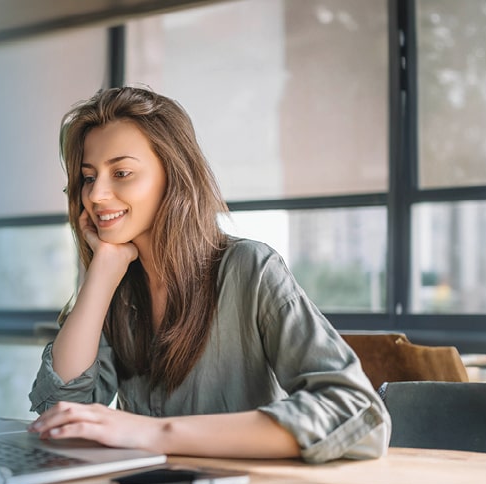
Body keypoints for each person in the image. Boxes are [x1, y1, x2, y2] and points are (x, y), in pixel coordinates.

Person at [26, 87, 389, 463]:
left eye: (121, 173)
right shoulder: (116, 286)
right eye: (88, 177)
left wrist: (156, 433)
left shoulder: (250, 269)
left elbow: (356, 411)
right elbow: (59, 412)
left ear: (174, 176)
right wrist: (100, 274)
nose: (97, 195)